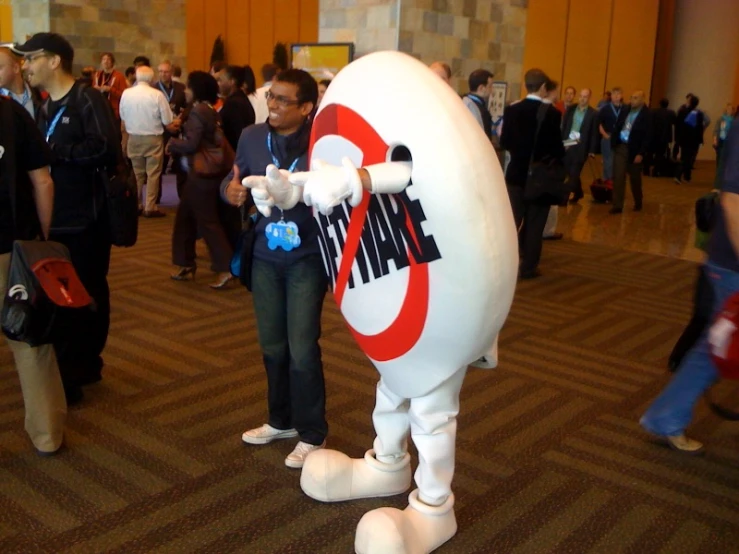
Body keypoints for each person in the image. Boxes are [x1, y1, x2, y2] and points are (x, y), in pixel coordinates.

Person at [222, 69, 329, 469]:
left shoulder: (322, 141)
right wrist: (229, 191)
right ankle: (280, 420)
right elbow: (233, 179)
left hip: (307, 256)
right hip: (265, 254)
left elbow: (337, 193)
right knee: (272, 344)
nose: (274, 107)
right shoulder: (251, 136)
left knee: (302, 347)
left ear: (306, 107)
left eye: (284, 101)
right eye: (271, 98)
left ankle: (312, 432)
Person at [15, 33, 120, 404]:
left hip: (87, 219)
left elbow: (107, 149)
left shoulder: (86, 98)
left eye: (30, 59)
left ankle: (82, 367)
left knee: (87, 293)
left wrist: (56, 151)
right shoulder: (45, 106)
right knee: (59, 295)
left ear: (54, 61)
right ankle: (74, 366)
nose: (25, 66)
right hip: (56, 218)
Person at [641, 113, 739, 453]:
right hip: (732, 264)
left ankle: (665, 416)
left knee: (716, 345)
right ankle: (666, 416)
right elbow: (732, 201)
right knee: (718, 347)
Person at [0, 95, 66, 455]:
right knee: (29, 339)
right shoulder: (11, 113)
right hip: (12, 246)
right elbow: (43, 181)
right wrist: (42, 235)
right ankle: (47, 434)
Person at [168, 71, 234, 289]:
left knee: (207, 222)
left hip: (201, 176)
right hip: (204, 175)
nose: (185, 90)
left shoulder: (198, 112)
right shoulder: (209, 110)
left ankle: (225, 268)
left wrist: (172, 144)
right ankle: (185, 262)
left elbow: (191, 144)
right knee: (185, 219)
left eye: (188, 87)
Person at [500, 69, 565, 278]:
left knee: (511, 221)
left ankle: (503, 262)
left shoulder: (512, 110)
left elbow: (504, 142)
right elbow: (556, 149)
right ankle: (528, 266)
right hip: (539, 178)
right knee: (535, 223)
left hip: (515, 174)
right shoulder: (553, 114)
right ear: (544, 87)